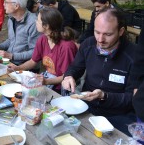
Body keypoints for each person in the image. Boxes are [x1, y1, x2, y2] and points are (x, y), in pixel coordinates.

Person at [62, 8, 137, 136]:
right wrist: (68, 76)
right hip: (86, 106)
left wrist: (104, 96)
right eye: (97, 32)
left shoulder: (134, 56)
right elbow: (75, 67)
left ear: (121, 31)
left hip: (118, 114)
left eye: (108, 34)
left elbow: (133, 98)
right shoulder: (88, 44)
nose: (100, 39)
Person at [8, 7, 78, 92]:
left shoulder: (66, 47)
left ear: (46, 26)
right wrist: (17, 68)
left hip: (62, 87)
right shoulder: (42, 39)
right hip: (48, 80)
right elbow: (33, 61)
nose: (35, 22)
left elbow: (66, 76)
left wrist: (46, 81)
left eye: (38, 20)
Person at [0, 0, 40, 67]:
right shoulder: (11, 19)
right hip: (9, 62)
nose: (3, 4)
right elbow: (11, 40)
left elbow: (35, 51)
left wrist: (11, 56)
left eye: (6, 2)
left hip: (25, 68)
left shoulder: (33, 23)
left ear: (16, 6)